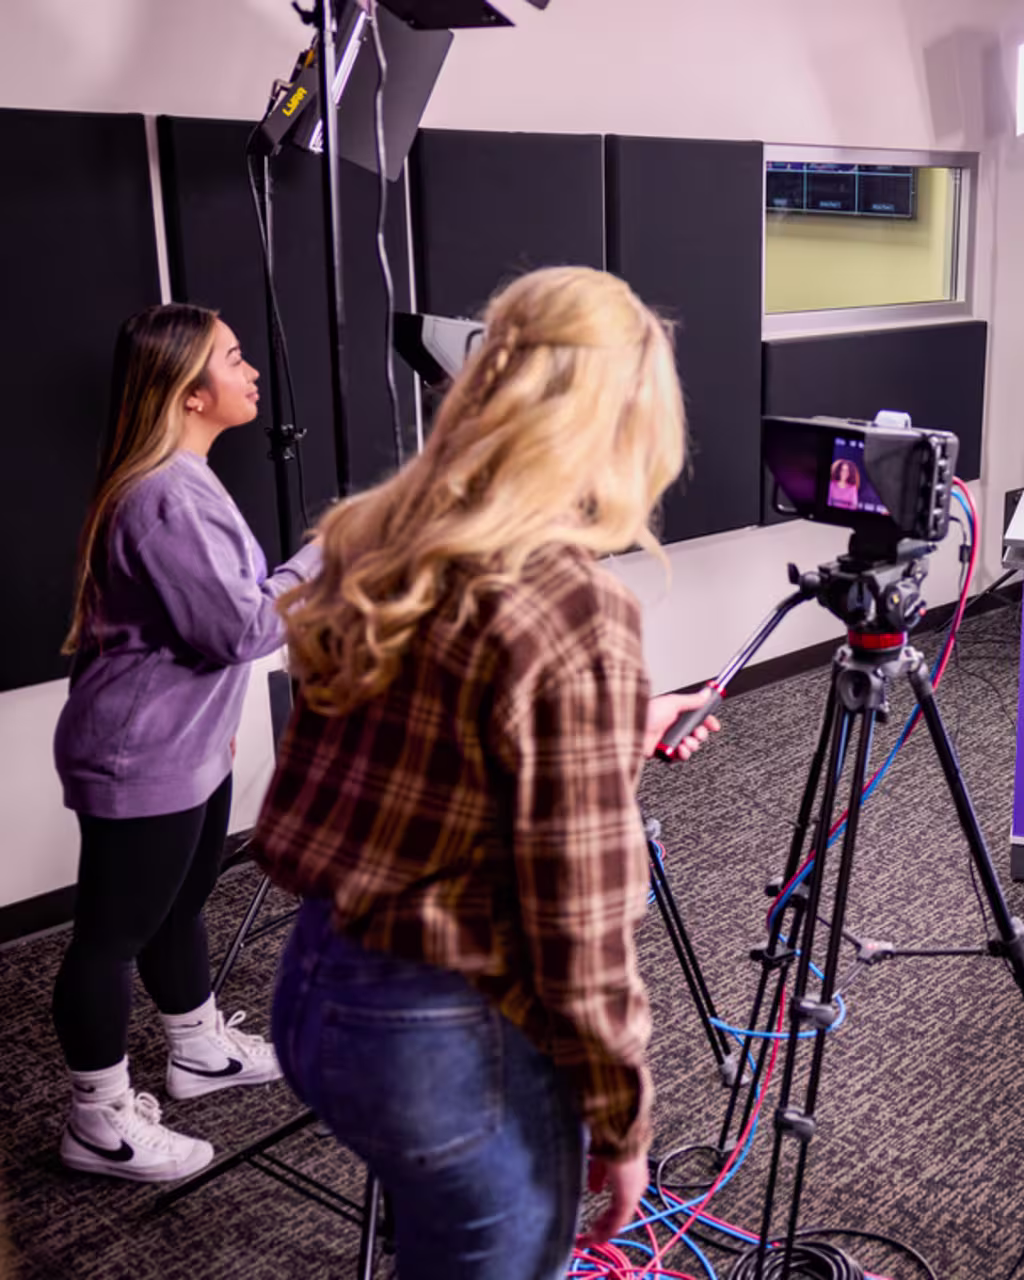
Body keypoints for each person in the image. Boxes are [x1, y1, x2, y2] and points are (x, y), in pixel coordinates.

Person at [253, 266, 719, 1280]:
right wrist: (624, 1119)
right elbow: (581, 923)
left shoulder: (373, 536)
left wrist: (606, 730)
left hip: (318, 989)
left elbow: (412, 754)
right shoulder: (574, 606)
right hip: (447, 1033)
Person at [51, 304, 318, 1183]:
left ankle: (197, 1050)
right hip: (140, 758)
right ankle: (97, 1124)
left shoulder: (188, 475)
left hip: (185, 745)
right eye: (234, 361)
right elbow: (241, 629)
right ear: (191, 393)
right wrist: (324, 559)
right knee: (110, 937)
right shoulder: (165, 493)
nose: (251, 375)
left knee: (182, 901)